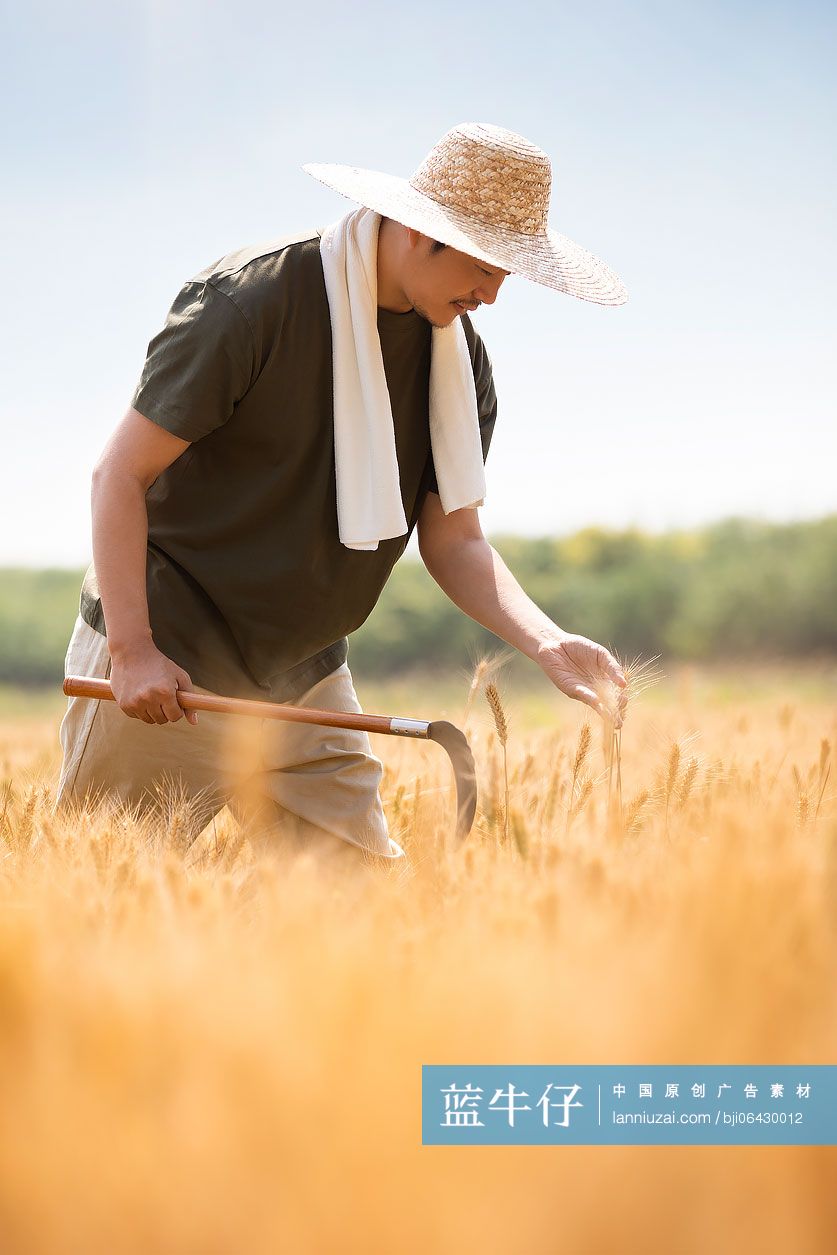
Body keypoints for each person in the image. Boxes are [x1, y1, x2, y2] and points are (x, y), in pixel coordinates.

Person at [54, 121, 629, 869]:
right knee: (104, 904)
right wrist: (131, 652)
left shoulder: (459, 363)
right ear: (424, 232)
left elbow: (454, 539)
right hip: (170, 660)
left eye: (507, 276)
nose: (492, 295)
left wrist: (545, 641)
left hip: (304, 669)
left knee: (359, 911)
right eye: (487, 268)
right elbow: (118, 476)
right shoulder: (247, 303)